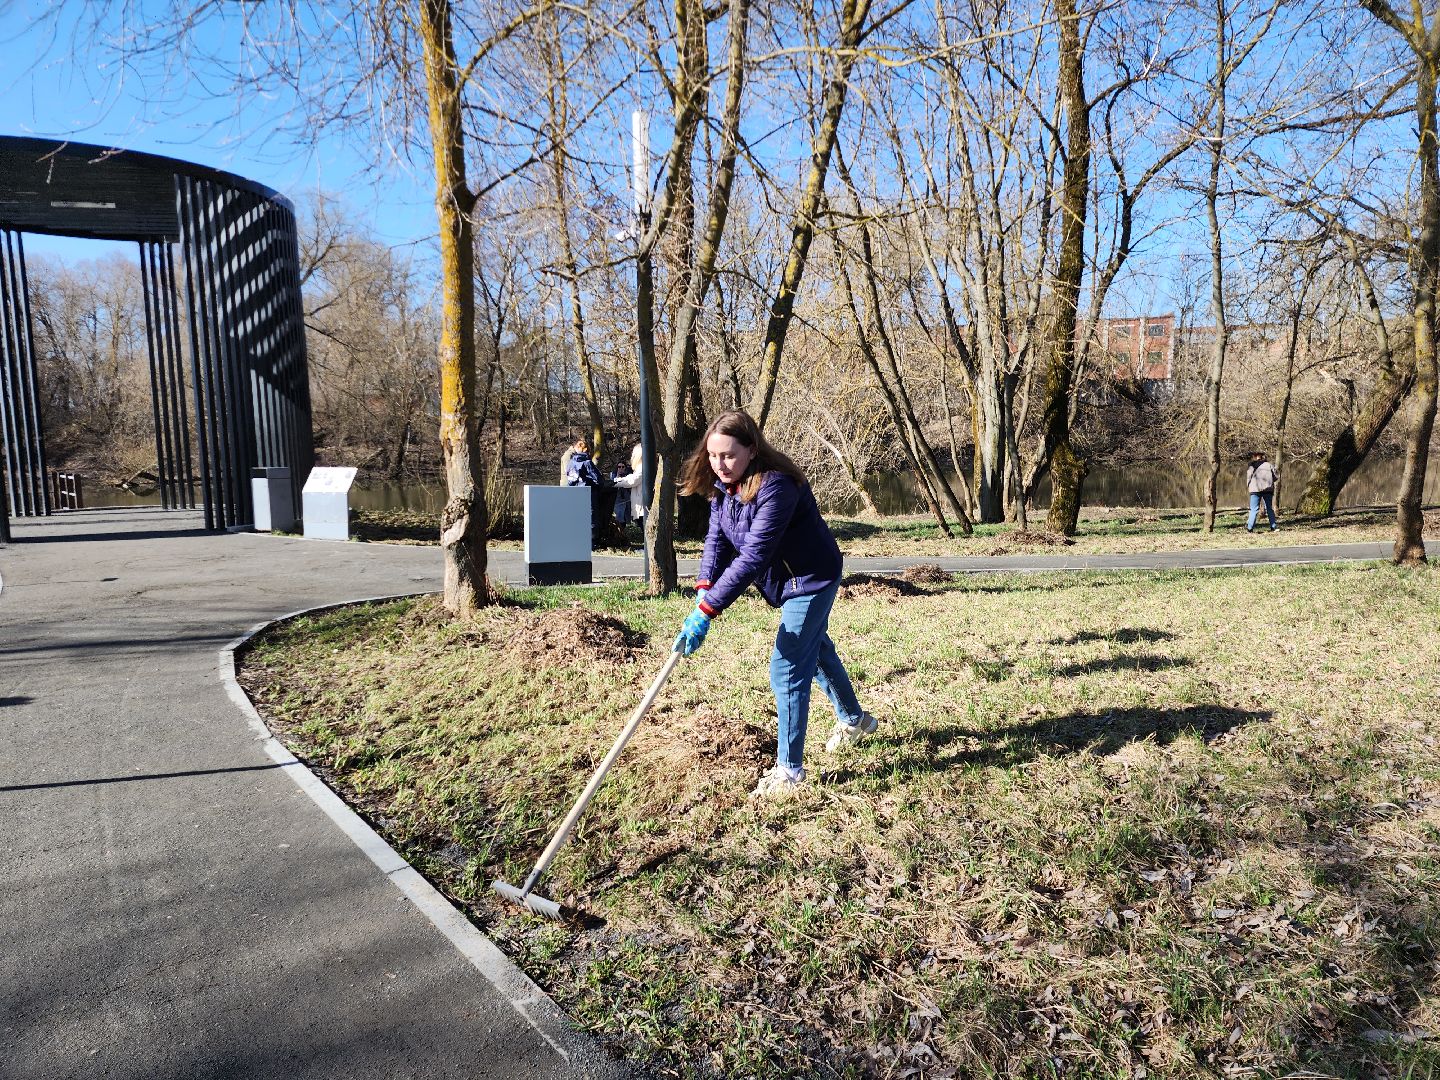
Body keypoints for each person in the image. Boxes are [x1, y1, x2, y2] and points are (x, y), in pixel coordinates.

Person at [671, 410, 876, 796]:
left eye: (729, 455)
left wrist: (707, 610)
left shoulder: (776, 486)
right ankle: (856, 721)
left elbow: (752, 556)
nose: (719, 464)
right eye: (713, 456)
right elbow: (717, 540)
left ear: (751, 449)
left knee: (787, 665)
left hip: (812, 577)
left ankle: (789, 772)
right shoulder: (723, 487)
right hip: (787, 580)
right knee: (813, 650)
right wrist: (704, 587)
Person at [611, 443, 645, 529]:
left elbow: (632, 481)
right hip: (638, 503)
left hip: (642, 504)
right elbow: (631, 478)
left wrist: (615, 482)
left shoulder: (642, 467)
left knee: (643, 525)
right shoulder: (640, 467)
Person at [1246, 451, 1279, 532]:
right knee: (1269, 509)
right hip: (1267, 489)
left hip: (1255, 489)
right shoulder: (1269, 465)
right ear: (1263, 457)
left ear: (1254, 456)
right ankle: (1273, 527)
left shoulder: (1251, 466)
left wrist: (1249, 486)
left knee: (1254, 509)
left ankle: (1250, 528)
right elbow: (1276, 477)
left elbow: (1248, 478)